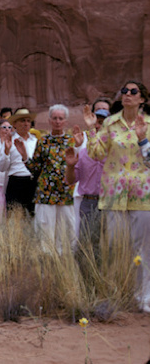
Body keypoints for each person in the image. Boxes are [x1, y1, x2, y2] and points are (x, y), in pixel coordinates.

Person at [85, 80, 150, 312]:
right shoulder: (111, 123)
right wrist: (93, 129)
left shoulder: (149, 123)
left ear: (142, 98)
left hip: (143, 195)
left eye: (133, 92)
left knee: (143, 249)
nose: (128, 95)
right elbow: (96, 154)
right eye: (124, 91)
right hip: (114, 194)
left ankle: (143, 297)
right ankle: (115, 293)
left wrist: (143, 138)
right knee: (114, 246)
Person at [16, 104, 76, 253]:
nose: (57, 121)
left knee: (68, 230)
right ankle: (47, 263)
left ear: (66, 121)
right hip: (46, 193)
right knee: (45, 231)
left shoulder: (72, 141)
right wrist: (24, 156)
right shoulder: (42, 142)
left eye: (61, 118)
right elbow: (34, 168)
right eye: (54, 118)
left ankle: (66, 262)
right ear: (49, 120)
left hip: (66, 193)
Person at [65, 105, 109, 239]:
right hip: (88, 203)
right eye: (95, 123)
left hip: (110, 202)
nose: (97, 126)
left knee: (110, 243)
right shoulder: (83, 153)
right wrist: (70, 166)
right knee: (87, 243)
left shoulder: (116, 154)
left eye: (101, 123)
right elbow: (71, 180)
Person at [0, 108, 38, 217]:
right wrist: (6, 151)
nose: (26, 124)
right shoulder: (9, 141)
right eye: (22, 121)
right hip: (16, 181)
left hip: (33, 182)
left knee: (33, 216)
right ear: (15, 124)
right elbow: (1, 168)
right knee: (14, 218)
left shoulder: (35, 141)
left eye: (28, 121)